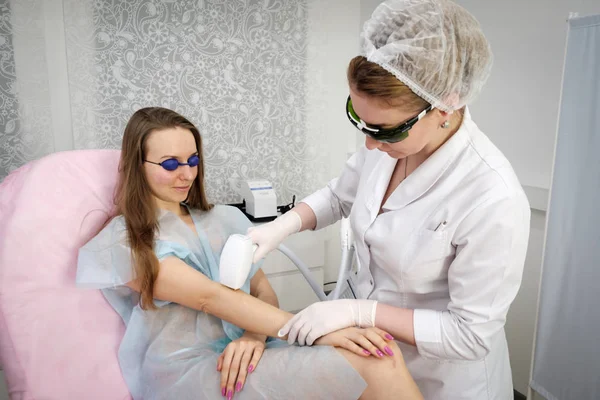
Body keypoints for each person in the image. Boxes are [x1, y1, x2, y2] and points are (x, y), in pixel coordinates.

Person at [247, 0, 531, 399]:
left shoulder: (491, 196)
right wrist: (282, 226)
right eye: (357, 118)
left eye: (383, 129)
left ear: (446, 105)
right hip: (375, 357)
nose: (367, 142)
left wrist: (360, 311)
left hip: (444, 377)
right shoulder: (387, 143)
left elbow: (469, 335)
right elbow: (339, 195)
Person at [76, 107, 424, 400]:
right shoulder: (126, 241)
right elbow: (210, 298)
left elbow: (262, 291)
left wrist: (254, 336)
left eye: (193, 160)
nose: (187, 174)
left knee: (382, 352)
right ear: (138, 164)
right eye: (170, 164)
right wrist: (316, 331)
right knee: (372, 362)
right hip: (191, 371)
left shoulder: (223, 218)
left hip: (254, 348)